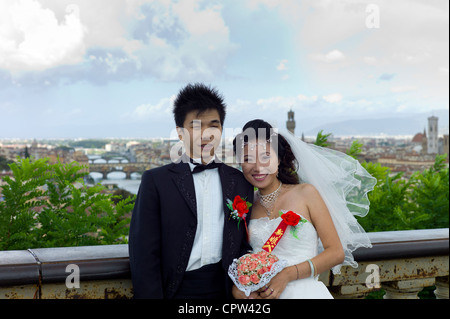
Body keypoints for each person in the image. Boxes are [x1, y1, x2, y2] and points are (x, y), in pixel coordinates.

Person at [128, 83, 254, 299]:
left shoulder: (239, 182)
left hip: (227, 291)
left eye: (213, 126)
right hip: (176, 291)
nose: (206, 134)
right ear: (180, 132)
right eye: (196, 127)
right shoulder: (156, 181)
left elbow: (242, 242)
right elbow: (143, 255)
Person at [232, 119, 376, 299]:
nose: (258, 167)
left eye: (266, 156)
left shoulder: (306, 194)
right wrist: (240, 290)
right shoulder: (244, 206)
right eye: (248, 159)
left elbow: (336, 252)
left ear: (278, 159)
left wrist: (287, 275)